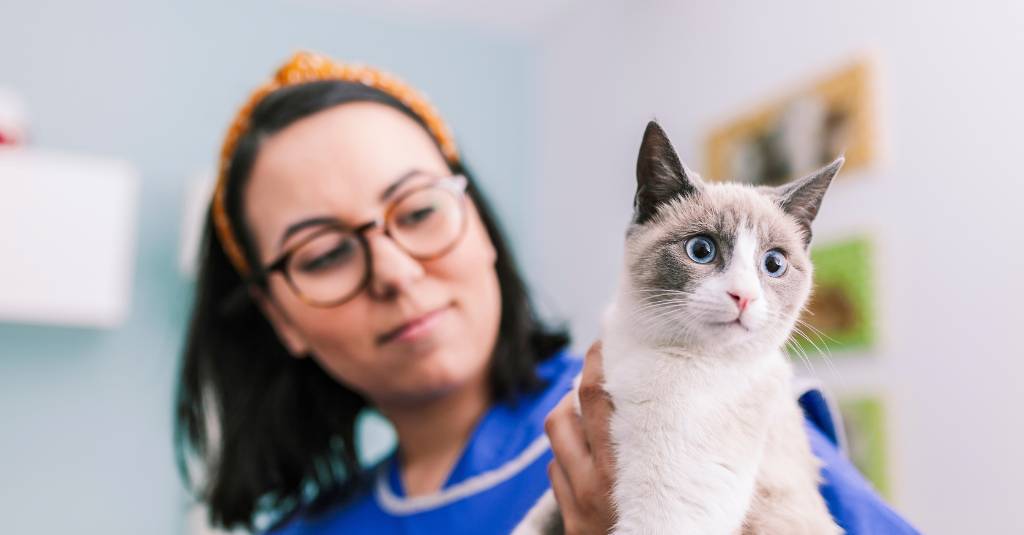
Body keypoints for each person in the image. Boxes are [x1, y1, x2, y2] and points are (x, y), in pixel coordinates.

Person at [174, 51, 919, 534]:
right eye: (326, 251)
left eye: (420, 209)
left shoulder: (712, 390)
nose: (395, 271)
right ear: (280, 316)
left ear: (480, 228)